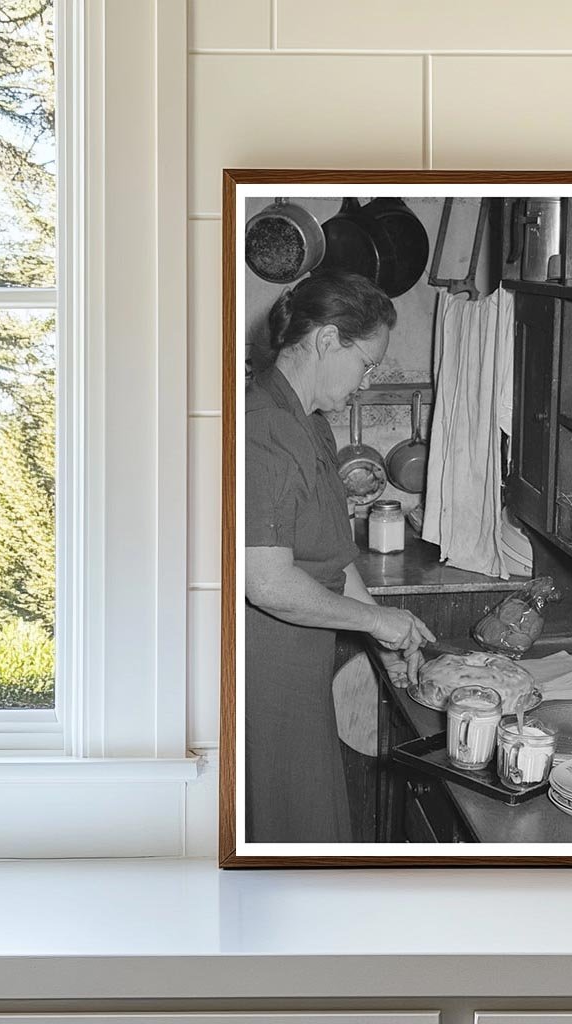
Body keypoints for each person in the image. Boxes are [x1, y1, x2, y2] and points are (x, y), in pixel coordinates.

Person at [243, 270, 435, 843]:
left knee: (307, 816)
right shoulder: (264, 427)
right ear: (327, 340)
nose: (368, 380)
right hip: (262, 665)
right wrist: (377, 620)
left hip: (302, 658)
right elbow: (266, 582)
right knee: (284, 822)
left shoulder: (312, 426)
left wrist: (383, 630)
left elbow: (334, 558)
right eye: (366, 363)